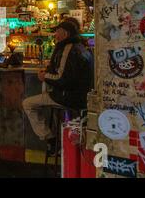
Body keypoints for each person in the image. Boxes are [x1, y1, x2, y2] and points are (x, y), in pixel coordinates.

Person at [22, 18, 93, 154]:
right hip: (79, 96)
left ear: (65, 34)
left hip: (68, 97)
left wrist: (44, 76)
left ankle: (51, 140)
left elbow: (62, 78)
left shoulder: (68, 48)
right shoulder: (81, 47)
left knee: (28, 103)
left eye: (57, 32)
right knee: (47, 102)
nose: (55, 35)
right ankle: (64, 142)